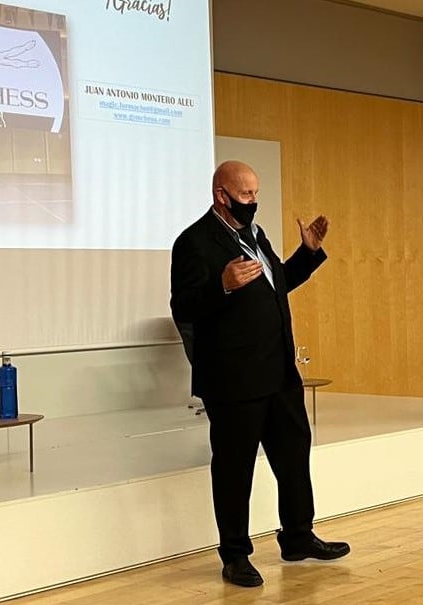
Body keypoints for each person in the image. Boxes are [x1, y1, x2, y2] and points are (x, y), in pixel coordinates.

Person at [170, 160, 350, 587]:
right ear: (222, 195)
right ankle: (234, 555)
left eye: (255, 194)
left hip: (278, 372)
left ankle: (298, 536)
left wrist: (307, 254)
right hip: (233, 380)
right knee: (235, 469)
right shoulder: (194, 243)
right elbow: (185, 308)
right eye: (246, 195)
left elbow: (276, 284)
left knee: (293, 457)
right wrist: (223, 286)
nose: (253, 202)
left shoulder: (255, 235)